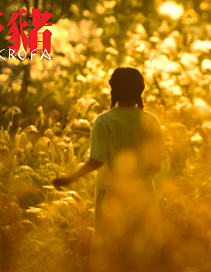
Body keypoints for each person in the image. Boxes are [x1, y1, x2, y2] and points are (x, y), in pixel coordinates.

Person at [52, 67, 166, 271]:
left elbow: (97, 160)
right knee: (141, 253)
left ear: (113, 90)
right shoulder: (151, 121)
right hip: (144, 194)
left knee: (111, 253)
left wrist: (70, 178)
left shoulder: (104, 121)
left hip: (111, 195)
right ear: (140, 90)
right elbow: (156, 164)